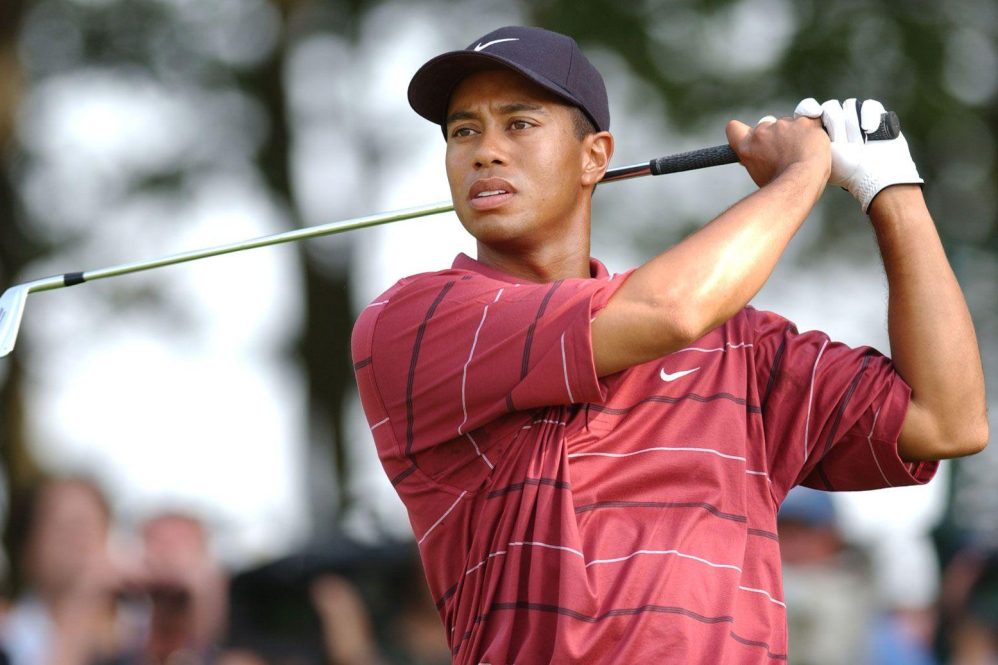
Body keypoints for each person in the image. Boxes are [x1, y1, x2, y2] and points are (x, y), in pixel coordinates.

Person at [350, 25, 988, 663]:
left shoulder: (738, 348)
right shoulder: (415, 322)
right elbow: (671, 310)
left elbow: (947, 421)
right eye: (463, 132)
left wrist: (889, 187)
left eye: (519, 124)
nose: (485, 152)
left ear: (595, 157)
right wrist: (800, 174)